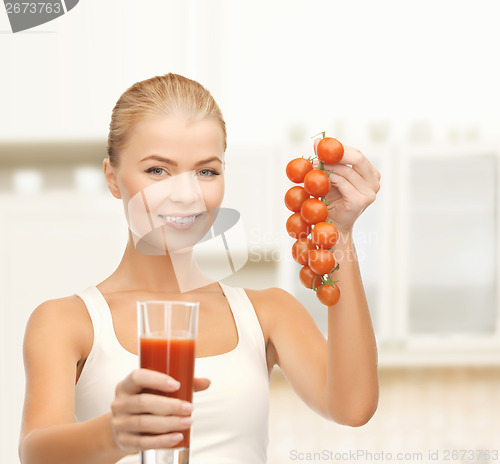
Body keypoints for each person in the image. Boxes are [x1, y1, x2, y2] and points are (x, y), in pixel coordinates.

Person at [18, 73, 381, 464]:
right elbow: (35, 452)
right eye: (157, 170)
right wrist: (113, 435)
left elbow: (352, 407)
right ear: (112, 178)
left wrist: (339, 230)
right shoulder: (68, 321)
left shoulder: (266, 314)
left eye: (206, 171)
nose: (186, 194)